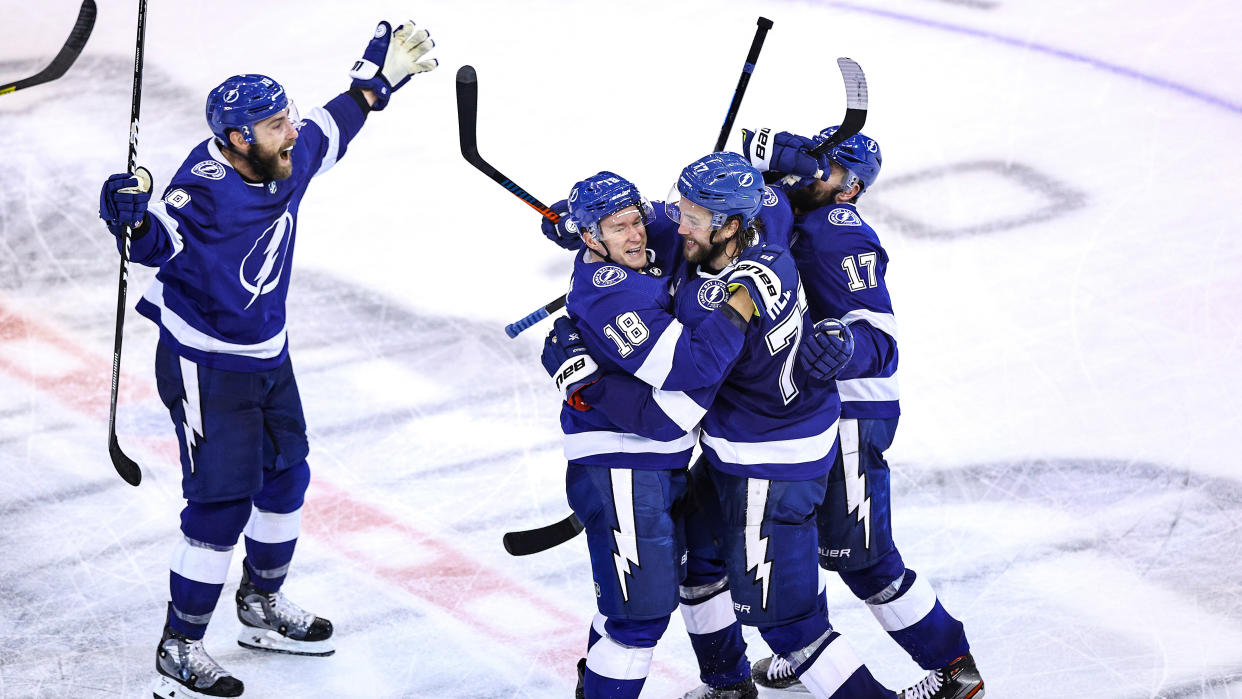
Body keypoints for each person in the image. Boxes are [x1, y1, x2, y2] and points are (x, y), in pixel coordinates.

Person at [96, 20, 437, 699]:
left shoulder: (283, 154)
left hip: (268, 355)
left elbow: (333, 129)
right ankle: (180, 642)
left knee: (285, 479)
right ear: (237, 138)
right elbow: (159, 238)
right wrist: (128, 217)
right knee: (220, 504)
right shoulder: (205, 185)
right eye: (277, 124)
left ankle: (259, 604)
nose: (293, 130)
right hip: (207, 363)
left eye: (289, 117)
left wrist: (373, 88)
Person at [544, 153, 899, 699]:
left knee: (783, 621)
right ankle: (728, 685)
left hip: (759, 464)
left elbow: (683, 394)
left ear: (731, 223)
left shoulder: (721, 287)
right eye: (623, 226)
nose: (663, 226)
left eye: (687, 216)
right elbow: (773, 198)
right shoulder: (759, 232)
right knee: (679, 585)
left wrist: (584, 381)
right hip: (685, 459)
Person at [737, 126, 985, 698]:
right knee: (787, 551)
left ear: (849, 188)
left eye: (823, 168)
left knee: (864, 557)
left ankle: (955, 668)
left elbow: (880, 339)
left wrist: (847, 347)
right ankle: (807, 655)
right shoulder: (786, 209)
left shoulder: (837, 229)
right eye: (809, 162)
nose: (808, 174)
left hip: (850, 413)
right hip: (798, 416)